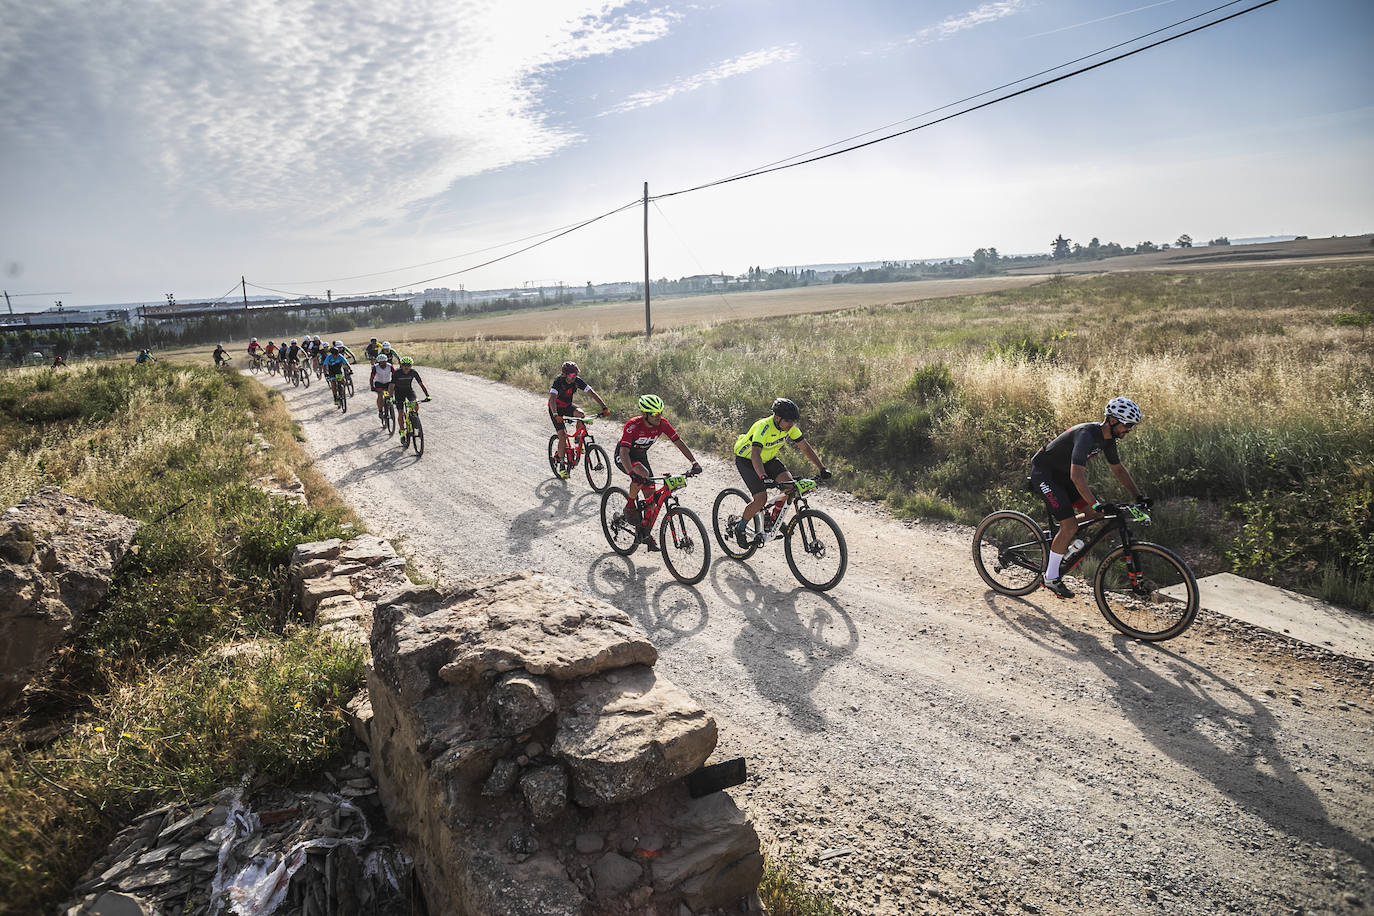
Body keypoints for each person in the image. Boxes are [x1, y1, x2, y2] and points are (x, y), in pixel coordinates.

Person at [1030, 396, 1148, 599]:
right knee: (1073, 524)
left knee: (1095, 515)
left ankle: (1059, 536)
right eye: (1127, 425)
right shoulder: (1086, 434)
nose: (1129, 430)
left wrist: (1138, 496)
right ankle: (1050, 578)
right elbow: (1077, 475)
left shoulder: (1108, 440)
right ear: (1112, 421)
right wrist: (1096, 503)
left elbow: (1119, 470)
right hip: (1045, 474)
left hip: (1064, 478)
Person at [731, 398, 830, 548]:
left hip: (768, 459)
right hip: (748, 460)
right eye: (788, 421)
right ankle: (740, 527)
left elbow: (805, 447)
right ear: (777, 418)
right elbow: (755, 454)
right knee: (761, 499)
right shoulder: (763, 427)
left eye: (793, 421)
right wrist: (763, 477)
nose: (791, 425)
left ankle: (771, 519)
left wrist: (822, 468)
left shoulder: (789, 428)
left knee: (789, 487)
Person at [616, 394, 701, 551]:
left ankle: (645, 534)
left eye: (661, 412)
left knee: (652, 500)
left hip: (641, 457)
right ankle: (629, 505)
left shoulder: (662, 424)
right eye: (655, 414)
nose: (659, 416)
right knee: (642, 474)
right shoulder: (633, 425)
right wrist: (631, 472)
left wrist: (694, 462)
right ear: (645, 414)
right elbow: (623, 452)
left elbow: (678, 443)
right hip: (625, 457)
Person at [548, 361, 609, 478]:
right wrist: (555, 414)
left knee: (581, 415)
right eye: (571, 375)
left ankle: (577, 441)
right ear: (564, 374)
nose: (574, 377)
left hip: (567, 406)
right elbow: (552, 399)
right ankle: (561, 466)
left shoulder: (577, 381)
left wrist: (604, 407)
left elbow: (592, 393)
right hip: (555, 409)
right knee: (562, 436)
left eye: (575, 374)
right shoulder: (558, 382)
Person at [388, 356, 431, 444]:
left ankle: (413, 416)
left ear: (411, 366)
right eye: (404, 365)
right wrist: (391, 397)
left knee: (415, 404)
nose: (406, 367)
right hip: (399, 393)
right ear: (401, 365)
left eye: (409, 365)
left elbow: (421, 384)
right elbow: (391, 386)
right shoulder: (397, 373)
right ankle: (402, 432)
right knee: (400, 413)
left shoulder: (413, 372)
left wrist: (427, 395)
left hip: (408, 391)